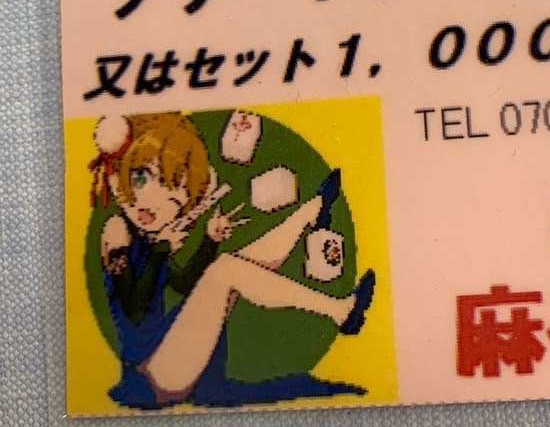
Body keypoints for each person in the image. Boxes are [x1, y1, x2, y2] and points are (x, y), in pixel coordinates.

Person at [93, 112, 374, 409]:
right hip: (150, 375)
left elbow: (183, 283)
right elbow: (134, 306)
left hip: (167, 351)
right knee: (226, 270)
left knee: (238, 262)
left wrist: (209, 240)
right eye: (141, 179)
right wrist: (162, 249)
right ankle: (340, 311)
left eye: (174, 201)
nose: (153, 204)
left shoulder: (149, 237)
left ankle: (312, 212)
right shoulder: (117, 229)